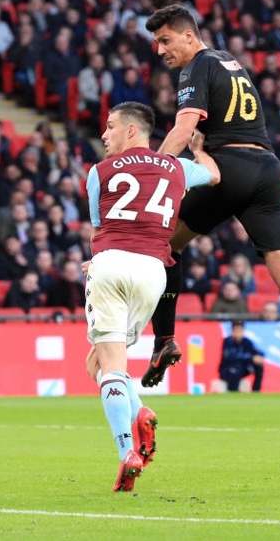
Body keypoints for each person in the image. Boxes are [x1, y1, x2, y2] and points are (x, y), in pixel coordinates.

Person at [143, 5, 280, 399]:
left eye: (165, 40)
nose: (160, 50)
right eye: (156, 42)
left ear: (189, 36)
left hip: (228, 166)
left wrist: (154, 171)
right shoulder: (231, 63)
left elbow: (184, 128)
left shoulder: (196, 66)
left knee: (167, 245)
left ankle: (164, 339)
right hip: (267, 168)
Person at [82, 102, 219, 492]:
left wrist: (99, 261)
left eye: (109, 127)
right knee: (97, 362)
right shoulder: (176, 168)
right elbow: (213, 176)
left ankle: (127, 449)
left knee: (107, 366)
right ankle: (139, 409)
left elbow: (98, 231)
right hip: (153, 273)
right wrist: (200, 150)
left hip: (110, 265)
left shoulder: (99, 172)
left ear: (130, 131)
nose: (104, 135)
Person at [213, 322, 265, 393]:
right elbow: (230, 357)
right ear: (232, 331)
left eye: (240, 330)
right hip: (227, 369)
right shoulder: (227, 342)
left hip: (242, 369)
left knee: (259, 366)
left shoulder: (246, 342)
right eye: (236, 330)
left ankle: (256, 391)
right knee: (237, 367)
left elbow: (257, 351)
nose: (238, 333)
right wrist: (250, 359)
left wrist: (259, 357)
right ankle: (233, 391)